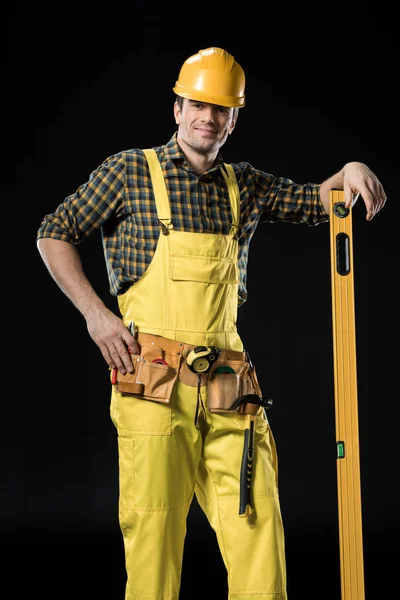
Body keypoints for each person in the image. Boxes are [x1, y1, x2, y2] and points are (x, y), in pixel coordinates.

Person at [36, 47, 386, 600]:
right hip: (152, 380)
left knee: (257, 524)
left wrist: (349, 171)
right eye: (197, 104)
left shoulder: (242, 185)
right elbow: (54, 230)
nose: (208, 117)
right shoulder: (129, 171)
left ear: (234, 119)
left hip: (228, 383)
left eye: (221, 109)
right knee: (154, 529)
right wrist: (96, 317)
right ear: (177, 108)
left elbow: (318, 201)